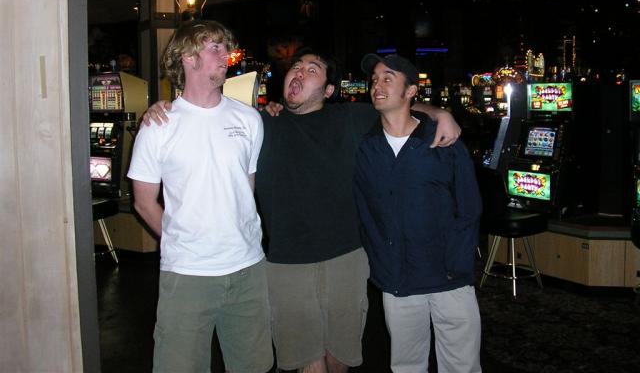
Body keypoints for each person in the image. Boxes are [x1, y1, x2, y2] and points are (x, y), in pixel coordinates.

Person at [144, 46, 461, 373]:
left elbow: (397, 107)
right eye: (297, 67)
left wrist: (440, 113)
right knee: (309, 365)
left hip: (347, 258)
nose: (299, 72)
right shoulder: (259, 122)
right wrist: (165, 108)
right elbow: (207, 115)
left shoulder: (350, 118)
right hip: (286, 263)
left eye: (312, 70)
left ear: (328, 90)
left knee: (340, 360)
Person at [128, 20, 273, 373]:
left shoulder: (250, 119)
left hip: (248, 268)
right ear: (188, 57)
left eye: (226, 47)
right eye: (215, 48)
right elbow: (143, 201)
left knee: (253, 365)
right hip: (188, 272)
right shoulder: (158, 125)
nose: (226, 55)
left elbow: (245, 187)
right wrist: (182, 239)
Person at [353, 53, 482, 373]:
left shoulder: (443, 141)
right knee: (407, 366)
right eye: (374, 79)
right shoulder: (363, 145)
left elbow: (470, 208)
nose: (376, 85)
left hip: (448, 276)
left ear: (410, 91)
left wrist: (459, 261)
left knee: (462, 366)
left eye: (387, 78)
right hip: (397, 278)